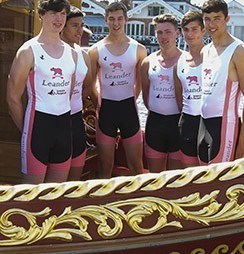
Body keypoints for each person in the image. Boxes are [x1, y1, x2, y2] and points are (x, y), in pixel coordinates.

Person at [6, 0, 77, 184]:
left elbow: (67, 95)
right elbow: (12, 98)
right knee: (31, 197)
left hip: (63, 129)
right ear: (41, 15)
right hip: (37, 128)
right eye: (53, 13)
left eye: (62, 13)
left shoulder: (72, 53)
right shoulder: (29, 51)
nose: (59, 18)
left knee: (57, 196)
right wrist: (27, 131)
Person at [88, 2, 147, 179]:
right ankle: (101, 205)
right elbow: (91, 85)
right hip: (106, 111)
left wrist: (131, 98)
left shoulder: (139, 49)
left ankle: (141, 203)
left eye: (120, 18)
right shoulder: (95, 50)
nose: (116, 23)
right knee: (105, 166)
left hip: (129, 109)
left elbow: (140, 83)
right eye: (112, 19)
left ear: (126, 20)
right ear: (106, 20)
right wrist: (101, 102)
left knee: (136, 166)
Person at [198, 0, 244, 164]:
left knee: (220, 182)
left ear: (227, 19)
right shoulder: (206, 50)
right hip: (203, 124)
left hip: (225, 125)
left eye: (217, 18)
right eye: (207, 19)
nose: (211, 24)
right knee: (203, 179)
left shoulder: (239, 51)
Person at [141, 14, 183, 173]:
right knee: (155, 177)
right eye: (159, 32)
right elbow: (146, 96)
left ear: (177, 33)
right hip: (155, 123)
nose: (163, 37)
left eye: (168, 32)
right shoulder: (147, 62)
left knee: (176, 179)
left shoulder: (186, 60)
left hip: (178, 124)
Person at [61, 6, 92, 181]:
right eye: (74, 25)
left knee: (76, 174)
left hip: (76, 118)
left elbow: (88, 86)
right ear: (63, 27)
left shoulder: (83, 55)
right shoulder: (53, 53)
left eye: (82, 25)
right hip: (56, 120)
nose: (80, 30)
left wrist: (75, 98)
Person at [174, 10, 205, 167]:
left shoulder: (214, 59)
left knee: (209, 176)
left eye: (194, 29)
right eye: (186, 30)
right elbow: (180, 97)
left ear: (203, 30)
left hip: (208, 123)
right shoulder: (180, 62)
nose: (190, 34)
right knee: (189, 173)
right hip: (187, 122)